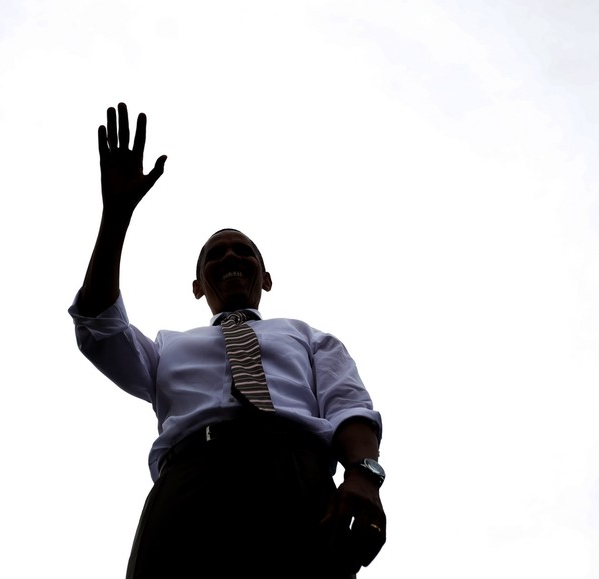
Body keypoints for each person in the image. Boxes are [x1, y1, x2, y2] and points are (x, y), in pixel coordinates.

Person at [69, 103, 386, 579]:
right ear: (198, 285)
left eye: (244, 251)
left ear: (268, 276)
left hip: (296, 477)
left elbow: (348, 406)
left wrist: (363, 476)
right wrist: (115, 217)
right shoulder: (165, 349)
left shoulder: (309, 338)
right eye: (215, 254)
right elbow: (98, 323)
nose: (231, 257)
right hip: (190, 480)